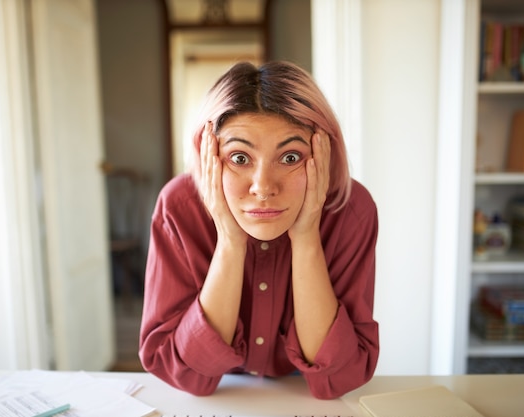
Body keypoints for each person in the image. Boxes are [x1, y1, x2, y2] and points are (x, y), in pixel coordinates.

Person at [139, 61, 379, 400]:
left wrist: (307, 237)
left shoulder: (351, 210)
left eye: (290, 157)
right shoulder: (179, 208)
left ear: (323, 154)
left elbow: (338, 377)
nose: (263, 187)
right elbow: (183, 372)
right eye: (239, 158)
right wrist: (230, 242)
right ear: (209, 155)